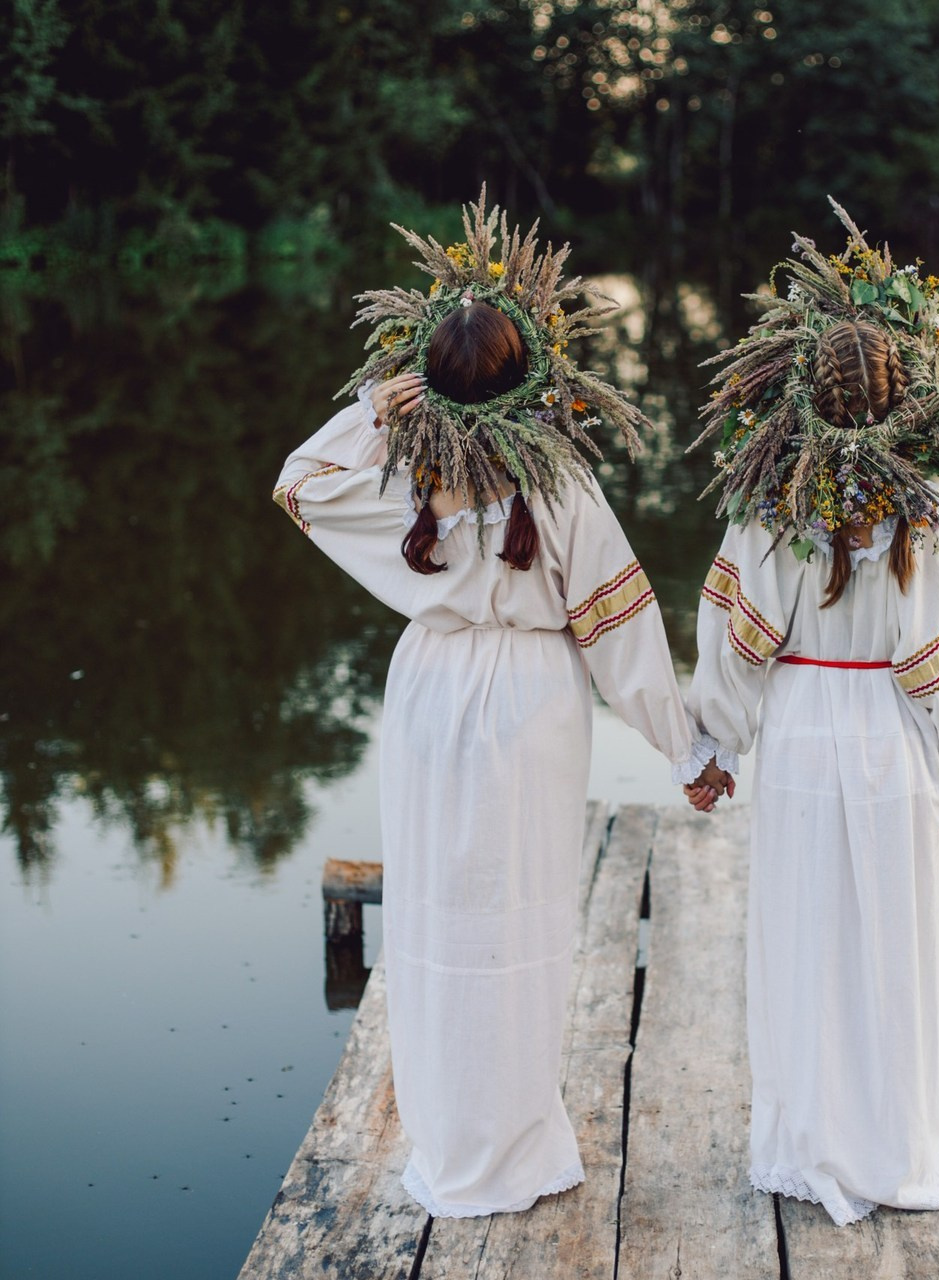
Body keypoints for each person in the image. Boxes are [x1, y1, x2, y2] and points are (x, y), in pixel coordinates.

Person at [273, 198, 715, 1217]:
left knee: (434, 905)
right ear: (530, 384)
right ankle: (512, 1140)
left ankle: (449, 1138)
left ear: (423, 383)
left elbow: (296, 483)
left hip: (431, 692)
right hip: (527, 702)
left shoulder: (394, 474)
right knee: (519, 909)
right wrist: (682, 747)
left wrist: (377, 409)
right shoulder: (554, 481)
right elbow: (620, 627)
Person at [678, 203, 939, 1226]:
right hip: (891, 733)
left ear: (799, 387)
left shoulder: (768, 504)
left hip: (799, 722)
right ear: (902, 395)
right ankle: (897, 1144)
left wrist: (710, 746)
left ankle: (807, 1142)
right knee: (892, 941)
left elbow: (733, 643)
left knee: (803, 934)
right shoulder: (929, 504)